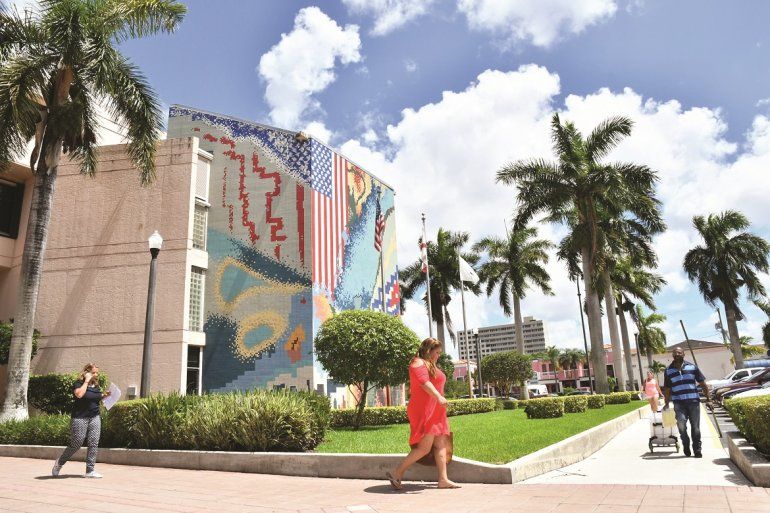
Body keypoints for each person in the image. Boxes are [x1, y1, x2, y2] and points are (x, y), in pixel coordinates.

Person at [387, 338, 459, 490]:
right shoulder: (417, 362)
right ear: (429, 350)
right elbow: (423, 382)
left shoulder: (430, 364)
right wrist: (439, 397)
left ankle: (443, 480)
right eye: (437, 352)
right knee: (424, 448)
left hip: (436, 410)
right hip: (425, 410)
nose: (438, 356)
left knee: (440, 444)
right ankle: (396, 473)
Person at [52, 363, 111, 478]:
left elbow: (94, 399)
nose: (96, 375)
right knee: (76, 443)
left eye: (97, 372)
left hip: (95, 416)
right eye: (93, 372)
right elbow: (79, 394)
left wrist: (104, 395)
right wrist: (86, 381)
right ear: (86, 372)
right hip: (80, 417)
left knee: (93, 443)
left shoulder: (96, 385)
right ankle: (59, 463)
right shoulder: (78, 383)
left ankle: (90, 470)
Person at [661, 347, 710, 458]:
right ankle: (686, 443)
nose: (677, 354)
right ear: (672, 355)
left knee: (695, 427)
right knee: (681, 425)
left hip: (694, 402)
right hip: (679, 403)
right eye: (674, 353)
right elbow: (667, 389)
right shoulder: (668, 371)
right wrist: (666, 402)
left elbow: (703, 384)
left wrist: (709, 400)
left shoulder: (692, 367)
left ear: (683, 354)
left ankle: (697, 449)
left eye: (679, 352)